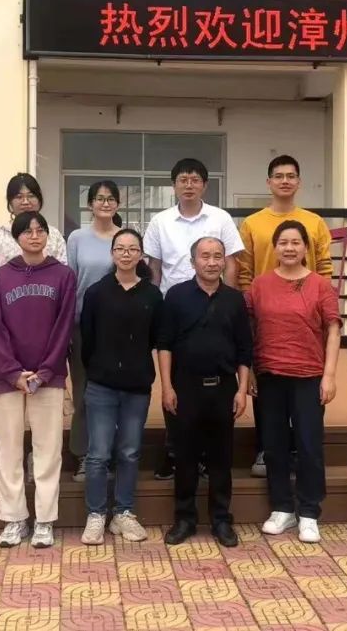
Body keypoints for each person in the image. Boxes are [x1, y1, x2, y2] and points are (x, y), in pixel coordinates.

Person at [144, 158, 244, 480]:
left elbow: (231, 262)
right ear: (174, 185)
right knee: (176, 379)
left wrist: (227, 301)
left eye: (195, 179)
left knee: (212, 376)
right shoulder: (160, 221)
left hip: (214, 303)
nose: (189, 185)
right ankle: (175, 450)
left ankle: (204, 456)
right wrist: (153, 306)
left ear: (204, 185)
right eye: (183, 180)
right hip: (175, 307)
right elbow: (154, 268)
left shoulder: (220, 218)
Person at [0, 211, 76, 549]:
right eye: (27, 231)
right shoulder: (0, 277)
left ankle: (45, 520)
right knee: (7, 448)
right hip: (6, 378)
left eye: (40, 230)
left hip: (47, 378)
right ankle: (14, 519)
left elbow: (64, 327)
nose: (34, 236)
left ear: (48, 236)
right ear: (17, 237)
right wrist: (12, 372)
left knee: (48, 450)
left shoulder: (63, 275)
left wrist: (46, 371)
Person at [238, 155, 334, 478]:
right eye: (278, 176)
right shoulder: (252, 224)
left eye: (290, 176)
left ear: (299, 182)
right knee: (266, 378)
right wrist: (249, 308)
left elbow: (324, 267)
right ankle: (266, 448)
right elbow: (245, 271)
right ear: (268, 182)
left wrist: (321, 304)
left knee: (307, 384)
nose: (284, 181)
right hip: (264, 312)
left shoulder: (314, 222)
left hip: (306, 314)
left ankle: (302, 449)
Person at [246, 221, 340, 543]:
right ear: (275, 247)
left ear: (305, 248)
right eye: (283, 242)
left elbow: (333, 330)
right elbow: (248, 329)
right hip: (269, 375)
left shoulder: (320, 285)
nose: (289, 248)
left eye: (296, 242)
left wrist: (329, 375)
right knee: (274, 446)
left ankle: (310, 512)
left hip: (309, 376)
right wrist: (249, 372)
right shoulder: (259, 285)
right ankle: (282, 508)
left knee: (309, 445)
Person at [160, 237, 251, 548]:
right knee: (184, 456)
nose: (212, 262)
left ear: (225, 261)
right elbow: (164, 344)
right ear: (193, 261)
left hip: (224, 388)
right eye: (205, 256)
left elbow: (244, 349)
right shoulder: (176, 296)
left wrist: (241, 390)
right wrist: (167, 386)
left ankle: (221, 519)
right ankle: (184, 519)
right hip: (185, 388)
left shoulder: (235, 300)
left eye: (217, 256)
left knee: (221, 457)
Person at [79, 229, 162, 545]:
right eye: (120, 248)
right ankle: (96, 514)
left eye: (133, 249)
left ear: (141, 255)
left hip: (137, 386)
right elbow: (87, 339)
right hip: (101, 385)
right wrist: (99, 369)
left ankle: (124, 513)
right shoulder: (96, 292)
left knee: (129, 451)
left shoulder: (152, 295)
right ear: (112, 253)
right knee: (98, 454)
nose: (126, 254)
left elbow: (155, 338)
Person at [66, 181, 124, 482]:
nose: (105, 203)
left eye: (111, 198)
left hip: (117, 328)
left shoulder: (124, 238)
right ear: (90, 203)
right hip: (82, 327)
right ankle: (84, 455)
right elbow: (70, 283)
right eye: (99, 198)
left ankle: (110, 454)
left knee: (116, 392)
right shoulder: (77, 238)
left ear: (118, 204)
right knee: (84, 391)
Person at [0, 173, 67, 292]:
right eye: (19, 197)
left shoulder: (54, 235)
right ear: (10, 202)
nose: (25, 202)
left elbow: (63, 277)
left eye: (31, 196)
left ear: (39, 199)